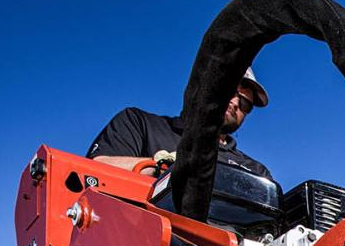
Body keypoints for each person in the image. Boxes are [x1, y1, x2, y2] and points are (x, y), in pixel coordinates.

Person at [87, 67, 273, 179]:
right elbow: (96, 168)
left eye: (245, 103)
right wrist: (166, 168)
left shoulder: (257, 171)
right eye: (230, 90)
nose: (235, 103)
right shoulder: (139, 123)